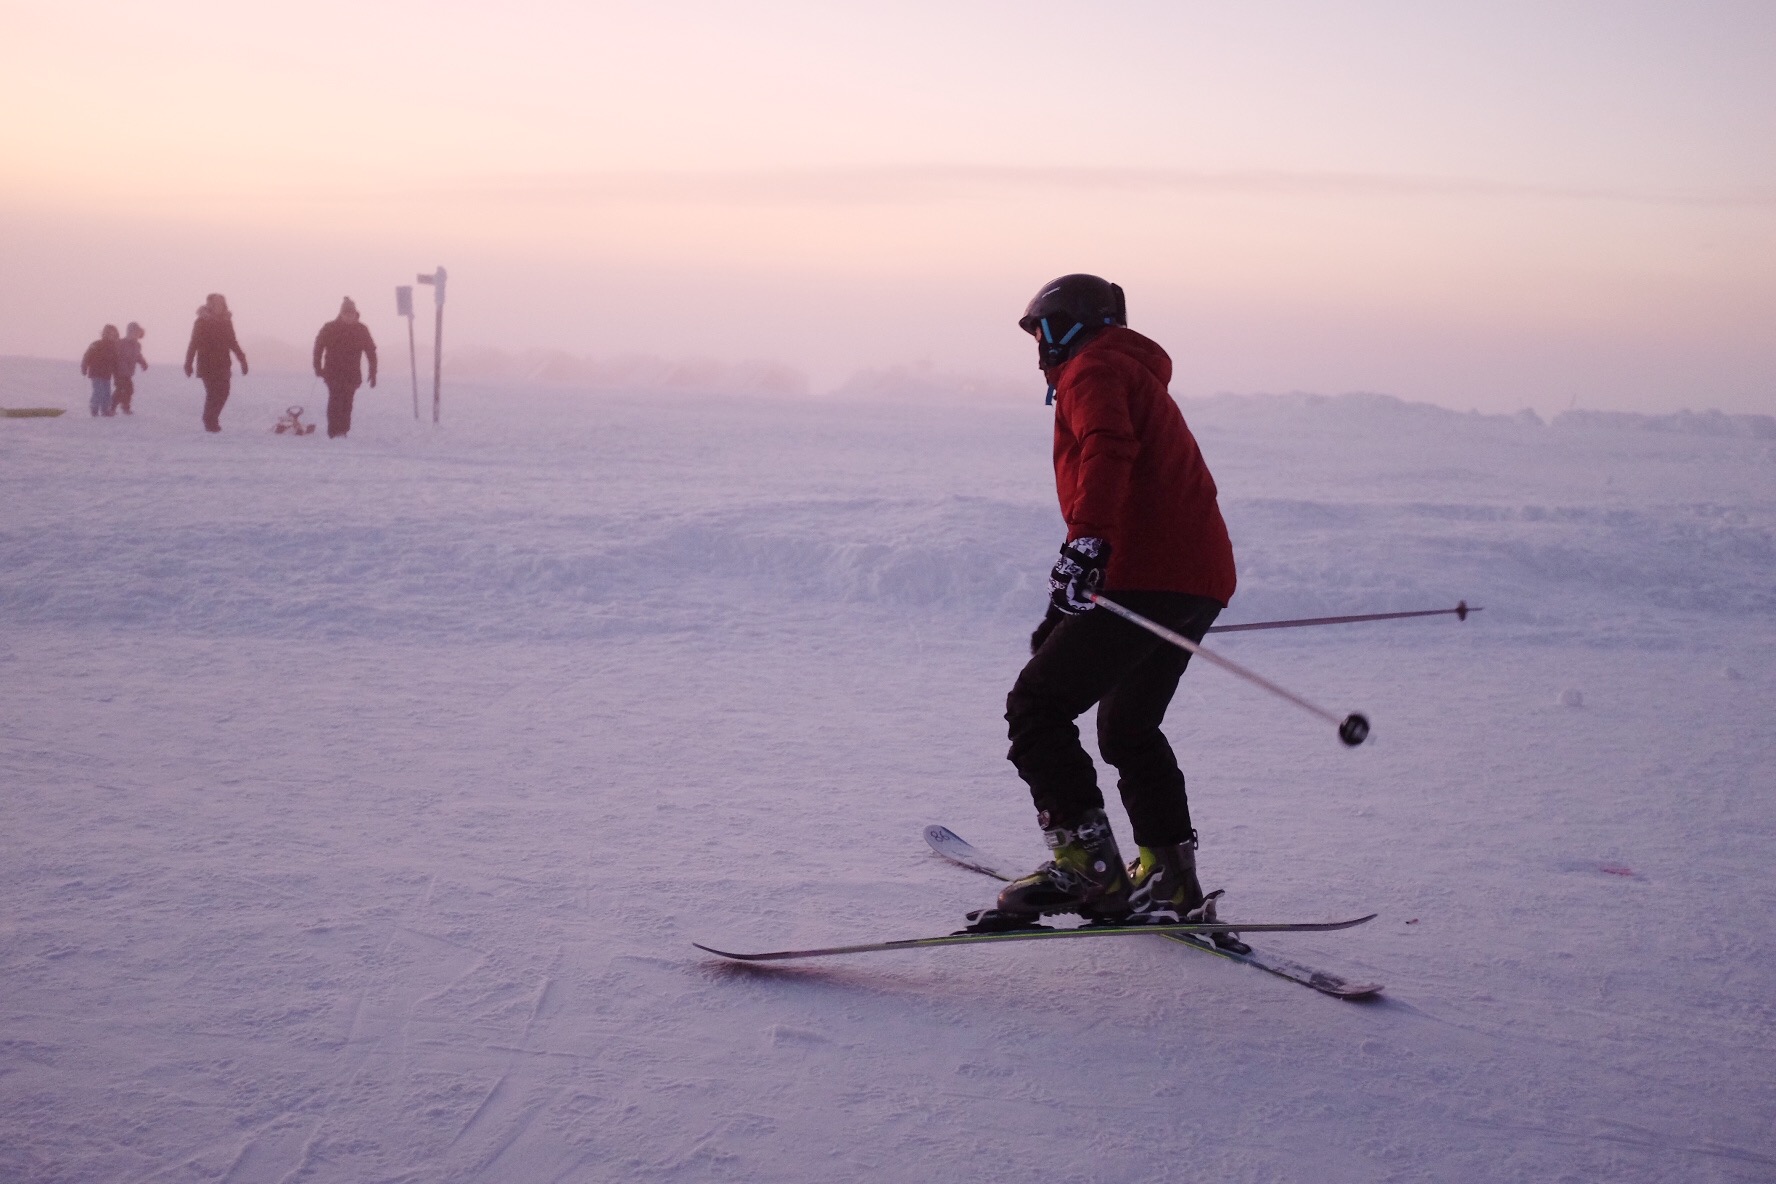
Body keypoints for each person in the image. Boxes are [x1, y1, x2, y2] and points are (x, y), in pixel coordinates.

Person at [985, 274, 1238, 929]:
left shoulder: (1092, 367)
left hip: (1141, 575)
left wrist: (1088, 546)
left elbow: (1107, 450)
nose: (1038, 343)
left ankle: (1087, 869)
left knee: (1035, 707)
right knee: (1127, 728)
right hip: (1193, 578)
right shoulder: (1129, 372)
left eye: (1041, 329)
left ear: (1068, 324)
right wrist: (1070, 597)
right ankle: (1170, 877)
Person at [311, 297, 377, 438]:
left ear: (355, 314)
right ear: (341, 314)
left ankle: (344, 430)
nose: (349, 316)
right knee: (335, 400)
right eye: (346, 313)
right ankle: (334, 431)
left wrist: (373, 372)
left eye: (351, 313)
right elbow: (318, 346)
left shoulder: (361, 330)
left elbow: (370, 351)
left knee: (347, 402)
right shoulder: (330, 328)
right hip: (332, 372)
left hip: (352, 374)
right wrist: (317, 366)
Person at [184, 293, 248, 432]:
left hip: (223, 363)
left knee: (224, 393)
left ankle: (212, 418)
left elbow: (232, 342)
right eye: (215, 304)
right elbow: (193, 343)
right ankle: (209, 421)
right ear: (210, 305)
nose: (218, 306)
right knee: (213, 393)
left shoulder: (226, 322)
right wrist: (188, 363)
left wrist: (242, 359)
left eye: (221, 303)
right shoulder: (201, 322)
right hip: (207, 363)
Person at [80, 325, 121, 417]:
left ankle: (105, 409)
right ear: (103, 334)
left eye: (112, 334)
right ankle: (94, 408)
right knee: (98, 391)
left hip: (106, 375)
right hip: (95, 373)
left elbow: (115, 364)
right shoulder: (96, 344)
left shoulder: (114, 349)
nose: (110, 336)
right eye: (108, 333)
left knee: (107, 393)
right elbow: (87, 356)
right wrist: (84, 367)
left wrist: (117, 377)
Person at [113, 322, 149, 415]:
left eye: (137, 333)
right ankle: (112, 406)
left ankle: (125, 407)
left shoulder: (137, 345)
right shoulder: (121, 343)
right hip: (119, 371)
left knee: (129, 389)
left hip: (128, 372)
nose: (136, 335)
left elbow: (138, 356)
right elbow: (114, 355)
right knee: (121, 389)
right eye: (134, 332)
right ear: (129, 332)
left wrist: (143, 363)